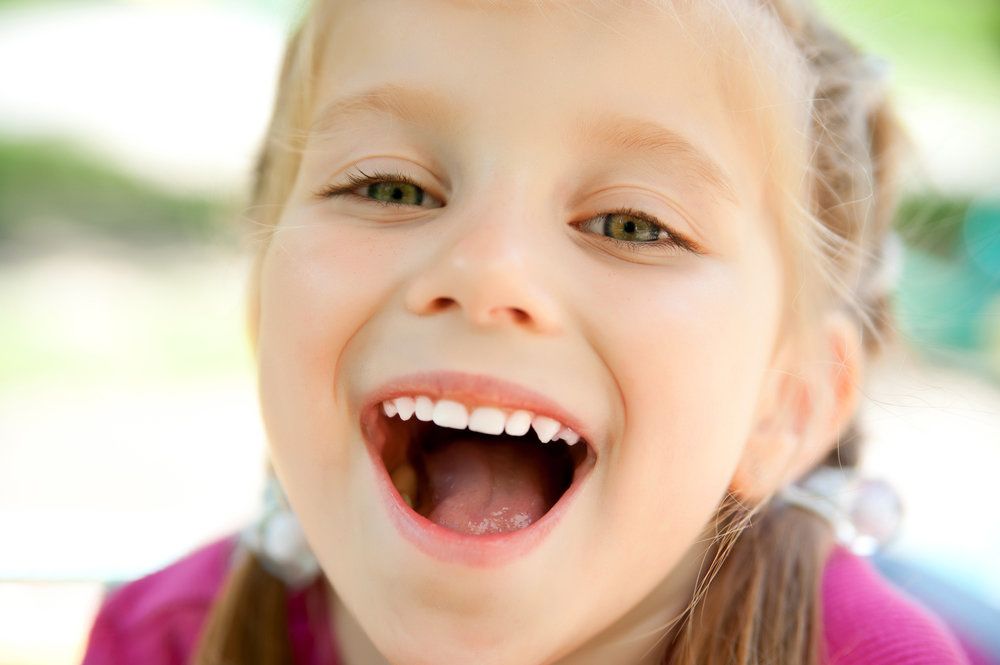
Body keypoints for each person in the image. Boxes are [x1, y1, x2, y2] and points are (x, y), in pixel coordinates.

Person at [80, 0, 988, 663]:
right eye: (390, 188)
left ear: (784, 407)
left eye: (633, 224)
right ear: (261, 307)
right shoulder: (159, 639)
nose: (486, 275)